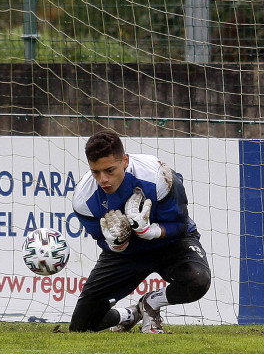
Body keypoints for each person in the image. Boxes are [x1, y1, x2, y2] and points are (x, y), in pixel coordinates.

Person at [69, 129, 211, 333]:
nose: (103, 179)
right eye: (96, 172)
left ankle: (151, 303)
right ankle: (129, 315)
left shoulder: (158, 176)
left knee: (198, 280)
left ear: (125, 161)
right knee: (81, 327)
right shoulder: (83, 198)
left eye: (110, 170)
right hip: (127, 253)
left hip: (170, 243)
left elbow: (180, 225)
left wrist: (151, 231)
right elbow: (100, 238)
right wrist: (116, 244)